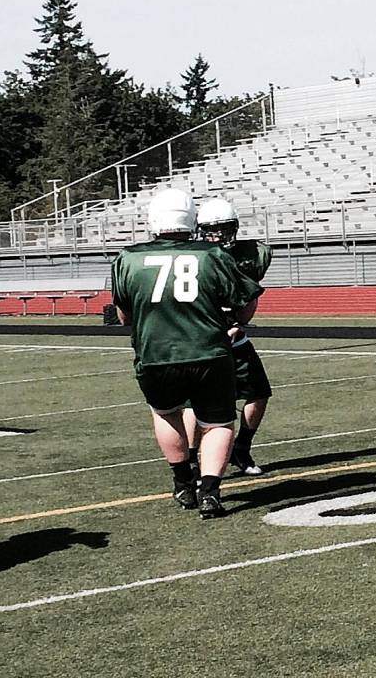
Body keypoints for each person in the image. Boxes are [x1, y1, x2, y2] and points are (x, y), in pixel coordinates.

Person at [111, 188, 263, 519]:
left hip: (156, 353)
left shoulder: (128, 258)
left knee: (166, 413)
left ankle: (182, 482)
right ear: (192, 220)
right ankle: (209, 492)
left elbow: (123, 317)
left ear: (152, 221)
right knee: (219, 423)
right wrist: (234, 320)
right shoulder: (212, 256)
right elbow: (246, 303)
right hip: (209, 351)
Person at [182, 197, 274, 477]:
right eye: (213, 229)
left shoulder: (249, 255)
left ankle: (241, 448)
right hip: (200, 340)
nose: (219, 235)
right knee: (192, 405)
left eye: (224, 228)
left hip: (235, 338)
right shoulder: (191, 256)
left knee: (258, 393)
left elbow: (249, 299)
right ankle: (191, 461)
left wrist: (237, 324)